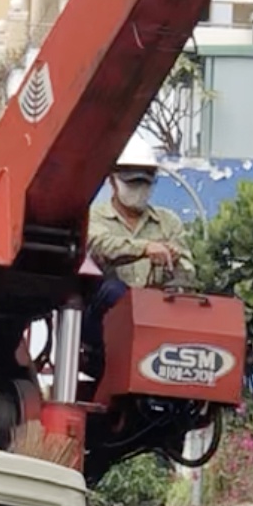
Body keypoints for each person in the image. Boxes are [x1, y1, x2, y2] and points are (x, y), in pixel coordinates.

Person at [82, 137, 190, 390]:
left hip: (154, 320)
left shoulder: (168, 222)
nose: (139, 190)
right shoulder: (94, 217)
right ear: (112, 180)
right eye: (132, 183)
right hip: (100, 322)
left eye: (145, 183)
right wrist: (145, 248)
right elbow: (100, 245)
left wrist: (172, 261)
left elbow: (187, 271)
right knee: (114, 291)